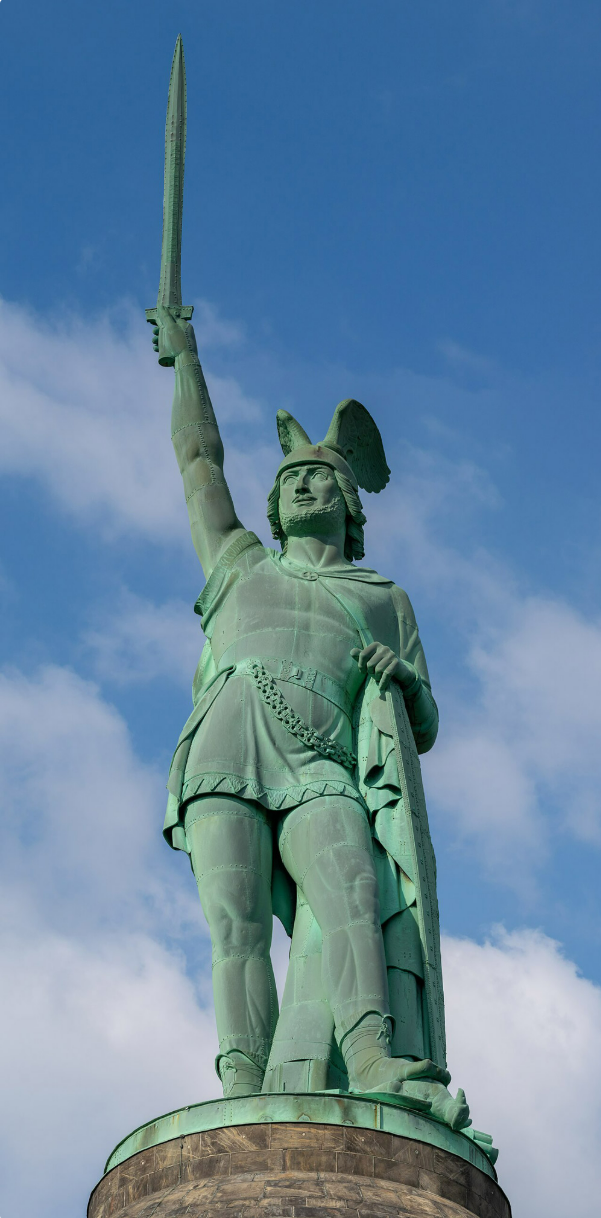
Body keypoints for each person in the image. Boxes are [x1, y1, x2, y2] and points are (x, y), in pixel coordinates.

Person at [152, 305, 469, 1129]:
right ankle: (243, 1089)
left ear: (349, 504)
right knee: (236, 929)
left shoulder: (383, 598)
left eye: (318, 477)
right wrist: (186, 360)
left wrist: (402, 678)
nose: (300, 484)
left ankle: (371, 1059)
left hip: (322, 760)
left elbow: (424, 723)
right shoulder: (237, 564)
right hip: (225, 745)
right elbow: (198, 459)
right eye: (288, 477)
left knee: (353, 895)